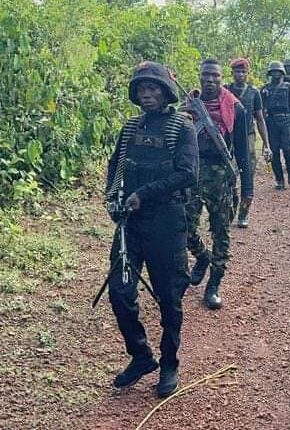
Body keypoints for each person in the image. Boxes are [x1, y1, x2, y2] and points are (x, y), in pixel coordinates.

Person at [104, 61, 198, 398]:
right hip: (131, 223)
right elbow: (116, 166)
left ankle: (169, 362)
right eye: (141, 89)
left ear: (165, 92)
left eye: (153, 88)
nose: (146, 94)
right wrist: (112, 198)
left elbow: (187, 174)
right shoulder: (131, 127)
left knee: (169, 298)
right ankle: (141, 356)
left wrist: (143, 194)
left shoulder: (181, 127)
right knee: (119, 292)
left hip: (166, 222)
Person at [185, 58, 252, 310]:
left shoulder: (235, 108)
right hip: (191, 172)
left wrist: (247, 189)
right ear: (200, 76)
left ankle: (214, 284)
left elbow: (243, 151)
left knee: (221, 230)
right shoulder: (189, 104)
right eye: (206, 75)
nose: (210, 80)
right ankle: (202, 256)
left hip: (222, 175)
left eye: (215, 75)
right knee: (184, 225)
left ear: (222, 78)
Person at [225, 58, 271, 228]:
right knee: (227, 176)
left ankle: (243, 213)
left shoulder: (254, 93)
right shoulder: (225, 91)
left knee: (247, 177)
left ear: (248, 73)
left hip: (248, 137)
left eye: (243, 72)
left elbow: (260, 119)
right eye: (237, 71)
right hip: (228, 137)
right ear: (232, 73)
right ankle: (228, 209)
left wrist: (267, 144)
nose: (240, 75)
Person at [261, 61, 290, 189]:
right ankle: (279, 180)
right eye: (273, 72)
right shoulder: (265, 89)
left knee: (288, 149)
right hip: (271, 122)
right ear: (270, 73)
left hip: (286, 121)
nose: (276, 74)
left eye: (278, 71)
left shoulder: (288, 88)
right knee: (274, 152)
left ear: (282, 72)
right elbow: (261, 109)